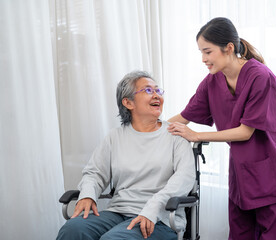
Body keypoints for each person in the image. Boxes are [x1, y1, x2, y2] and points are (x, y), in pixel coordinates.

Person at [167, 17, 276, 240]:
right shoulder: (212, 81)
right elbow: (185, 116)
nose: (203, 59)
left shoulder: (260, 77)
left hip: (271, 171)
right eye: (201, 52)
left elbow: (245, 132)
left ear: (228, 48)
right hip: (241, 171)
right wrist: (150, 129)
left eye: (207, 52)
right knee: (239, 234)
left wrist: (196, 135)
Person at [57, 71, 195, 240]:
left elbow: (184, 178)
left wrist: (152, 209)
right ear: (128, 102)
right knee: (72, 230)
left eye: (158, 91)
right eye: (148, 91)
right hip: (117, 212)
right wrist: (87, 195)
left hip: (160, 218)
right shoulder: (115, 137)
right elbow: (94, 173)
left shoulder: (176, 136)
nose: (156, 96)